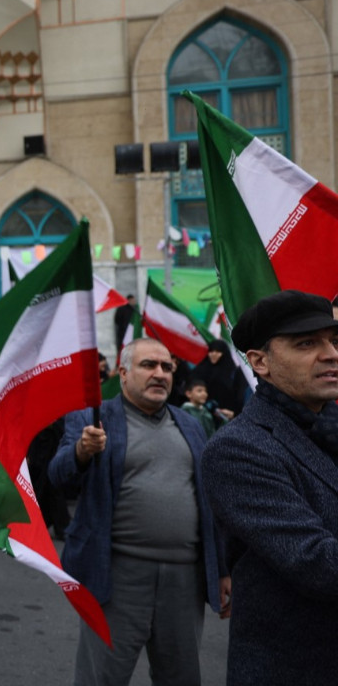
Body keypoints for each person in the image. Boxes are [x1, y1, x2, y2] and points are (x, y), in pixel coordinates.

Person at [49, 337, 228, 686]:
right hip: (116, 577)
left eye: (167, 367)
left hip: (183, 581)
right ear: (124, 372)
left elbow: (209, 501)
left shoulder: (189, 424)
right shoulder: (94, 418)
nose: (160, 373)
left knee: (181, 678)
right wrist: (82, 451)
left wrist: (221, 568)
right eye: (149, 365)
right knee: (101, 678)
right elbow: (57, 475)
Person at [202, 290, 338, 685]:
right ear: (260, 362)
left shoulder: (329, 428)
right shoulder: (239, 448)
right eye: (307, 343)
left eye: (334, 341)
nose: (330, 353)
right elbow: (318, 563)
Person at [189, 339, 248, 416]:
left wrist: (234, 414)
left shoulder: (234, 373)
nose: (213, 354)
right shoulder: (200, 370)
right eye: (211, 351)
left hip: (227, 415)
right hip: (201, 413)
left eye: (217, 352)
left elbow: (239, 395)